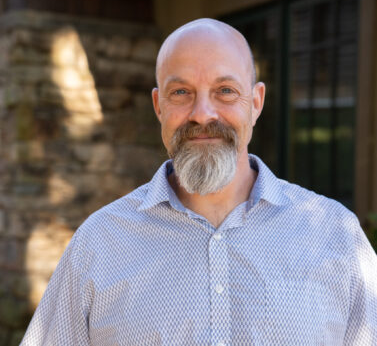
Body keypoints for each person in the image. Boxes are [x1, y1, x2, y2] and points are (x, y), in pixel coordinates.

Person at [21, 18, 377, 346]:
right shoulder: (98, 244)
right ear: (159, 106)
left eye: (224, 90)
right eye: (181, 92)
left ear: (256, 102)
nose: (202, 113)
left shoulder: (336, 236)